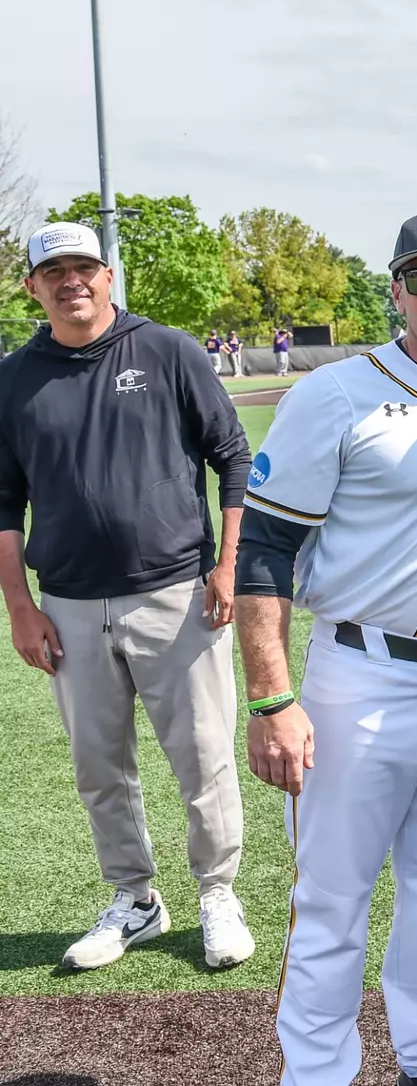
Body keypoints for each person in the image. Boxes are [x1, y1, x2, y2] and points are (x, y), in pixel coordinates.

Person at [234, 208, 417, 1086]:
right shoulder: (334, 391)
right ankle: (317, 1072)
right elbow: (264, 552)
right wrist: (271, 699)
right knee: (331, 899)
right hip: (360, 674)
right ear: (396, 290)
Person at [0, 221, 254, 971]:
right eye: (55, 272)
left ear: (108, 275)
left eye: (84, 267)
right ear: (32, 287)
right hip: (70, 603)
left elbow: (233, 457)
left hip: (175, 592)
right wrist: (19, 606)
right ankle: (135, 900)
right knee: (98, 766)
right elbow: (3, 501)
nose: (71, 280)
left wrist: (228, 564)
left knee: (203, 757)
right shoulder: (14, 377)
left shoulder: (167, 349)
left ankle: (217, 893)